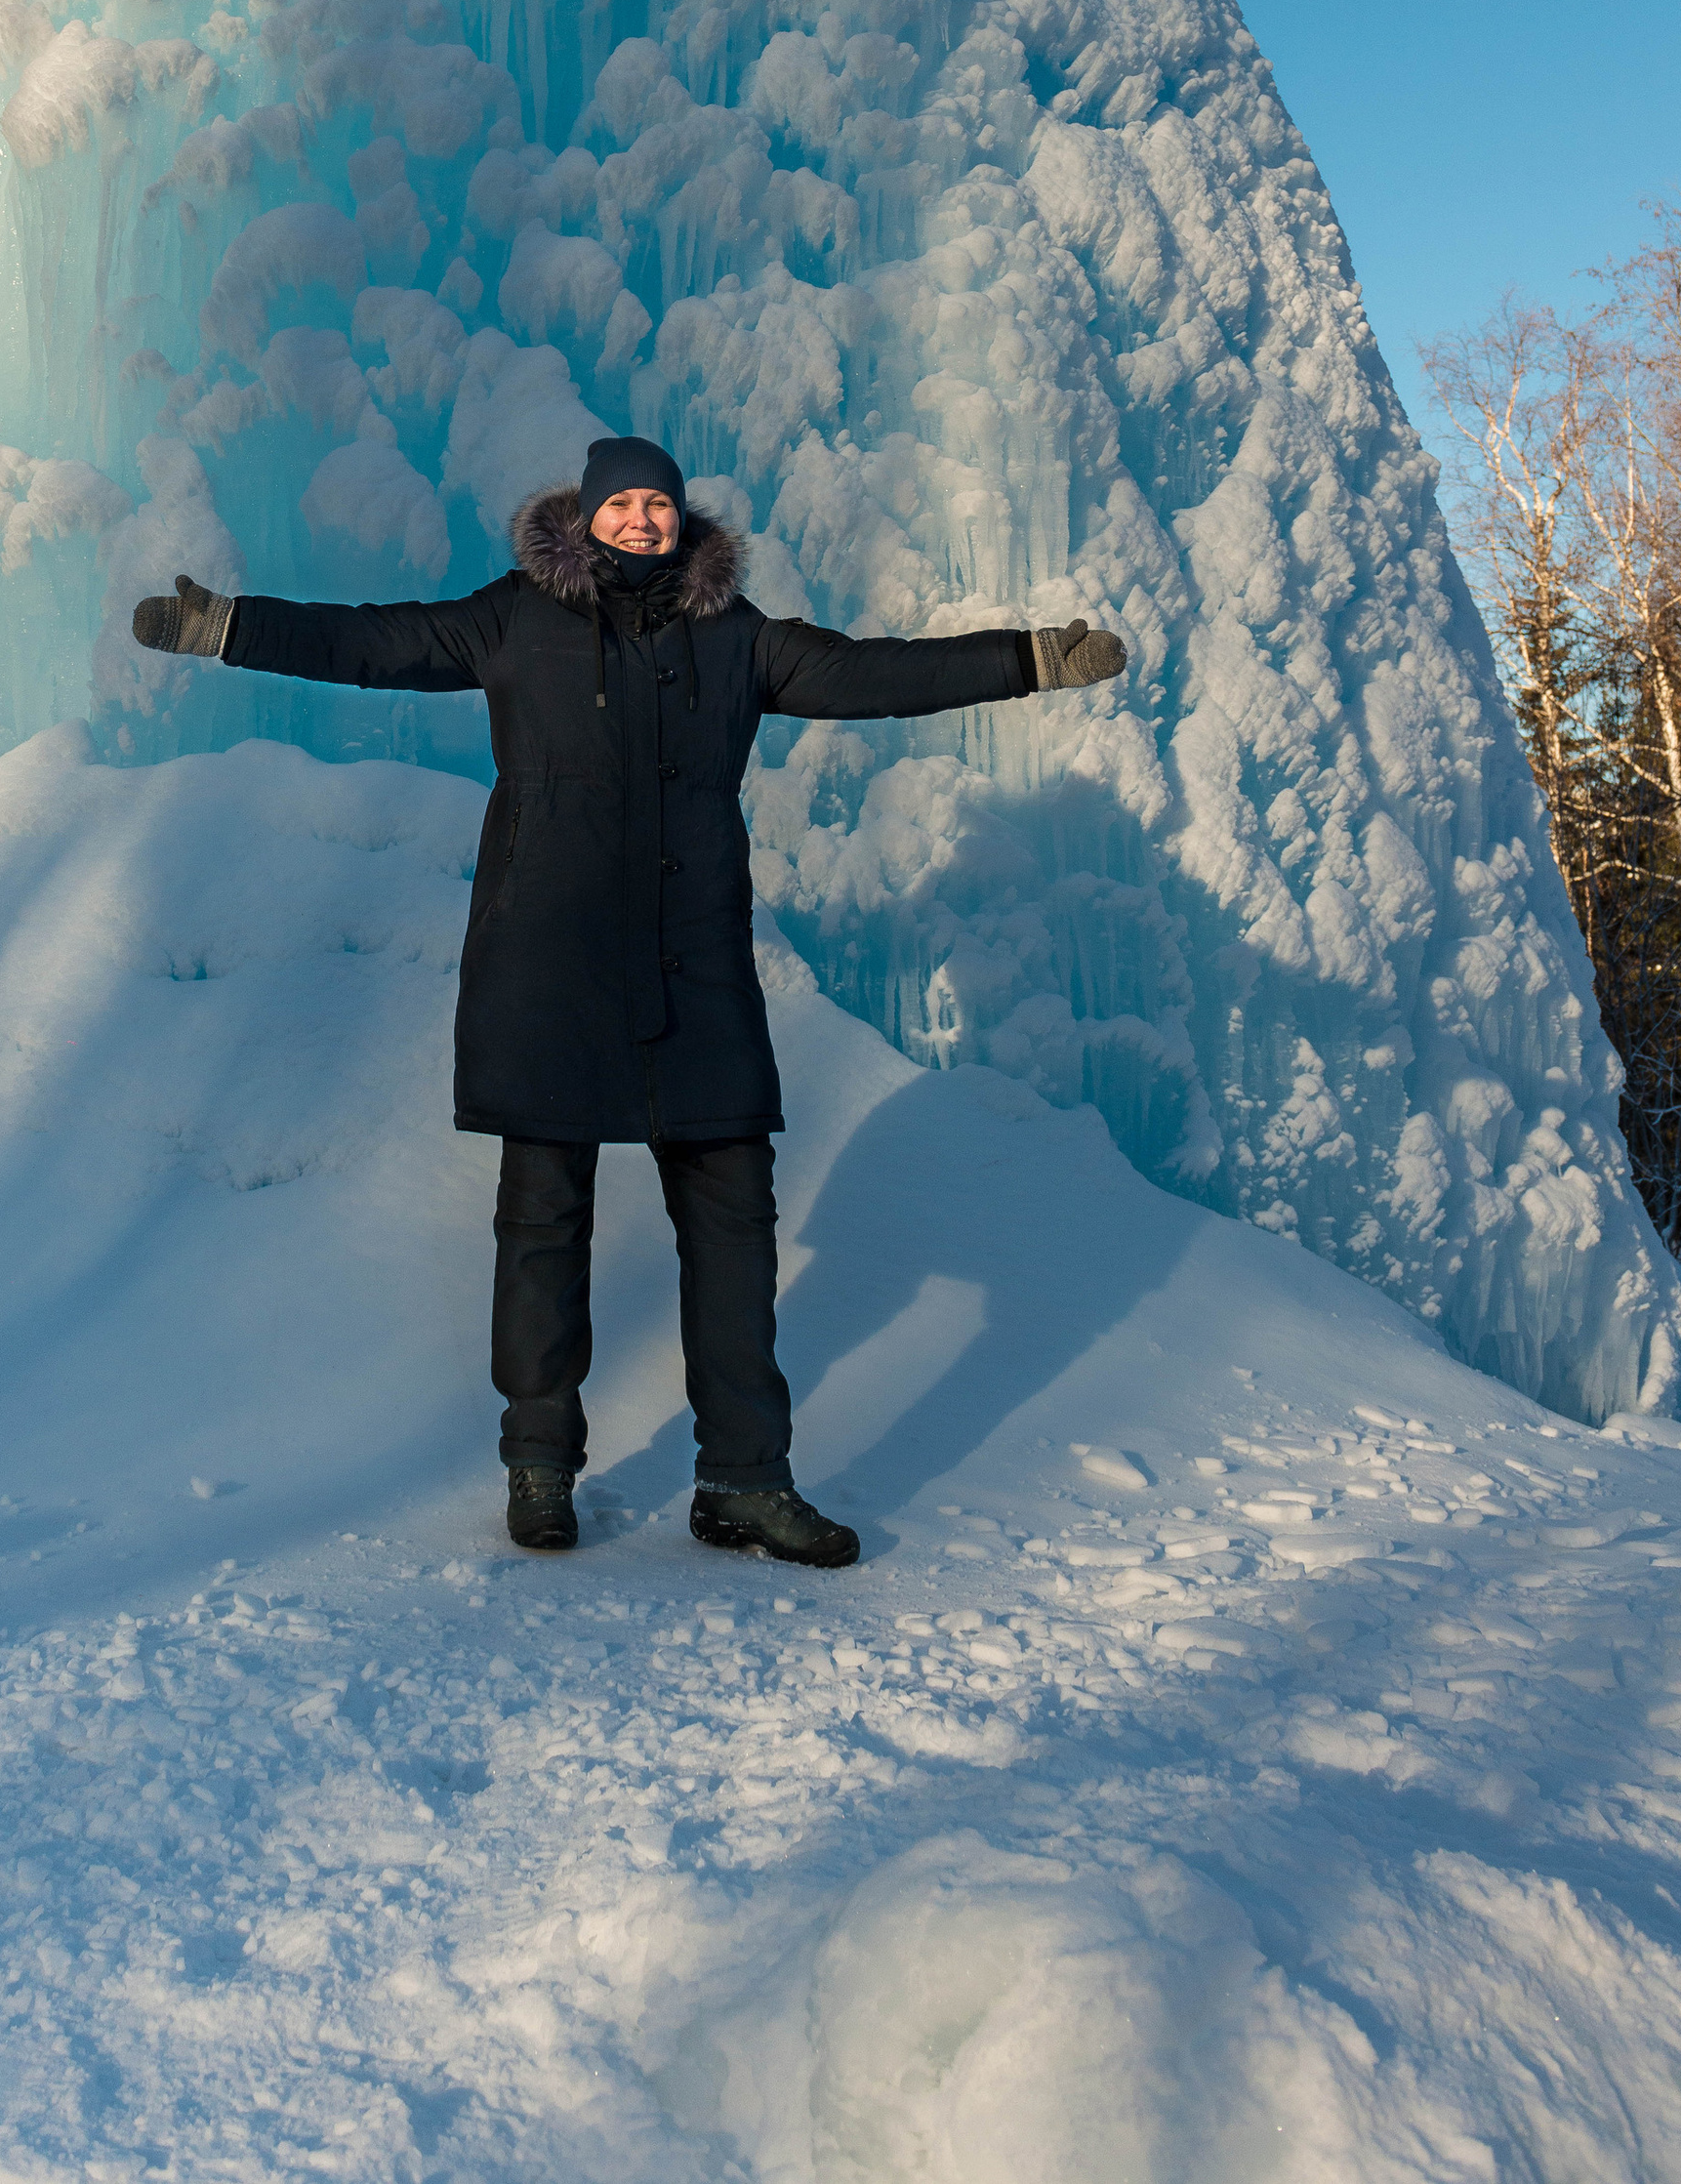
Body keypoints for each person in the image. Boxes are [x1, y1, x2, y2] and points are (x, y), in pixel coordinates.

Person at [133, 433, 1126, 1567]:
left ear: (682, 519)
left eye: (659, 504)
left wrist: (1029, 659)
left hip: (691, 968)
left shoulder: (736, 636)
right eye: (625, 506)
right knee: (542, 1223)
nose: (643, 521)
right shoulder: (512, 618)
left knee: (732, 1230)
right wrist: (228, 627)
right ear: (587, 517)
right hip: (546, 968)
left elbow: (870, 675)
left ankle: (744, 1480)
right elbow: (377, 641)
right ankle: (540, 1466)